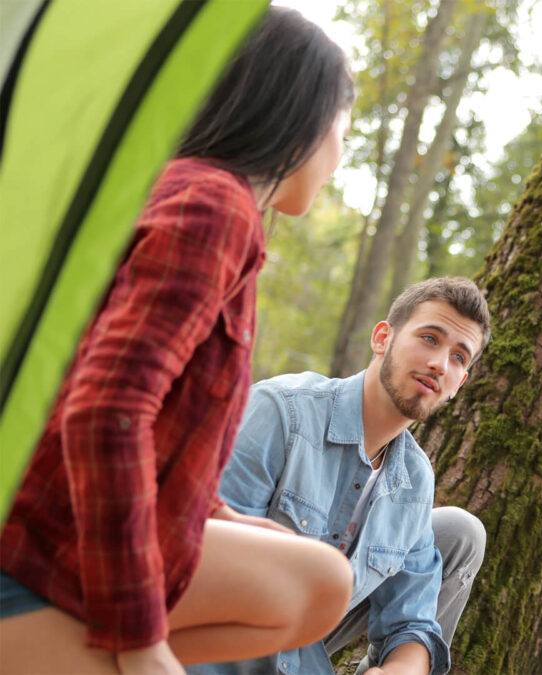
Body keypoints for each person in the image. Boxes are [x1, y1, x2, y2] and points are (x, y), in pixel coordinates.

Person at [0, 8, 356, 674]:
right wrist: (142, 643)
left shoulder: (187, 193)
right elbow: (104, 412)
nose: (342, 151)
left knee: (317, 574)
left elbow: (160, 423)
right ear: (297, 111)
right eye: (343, 124)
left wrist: (220, 514)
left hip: (70, 529)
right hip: (43, 549)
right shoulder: (214, 208)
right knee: (319, 583)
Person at [188, 277, 491, 675]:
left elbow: (412, 620)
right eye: (430, 339)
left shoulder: (414, 480)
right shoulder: (281, 413)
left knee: (461, 530)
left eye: (458, 358)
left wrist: (398, 671)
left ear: (459, 385)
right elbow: (203, 563)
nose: (439, 364)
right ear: (383, 338)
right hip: (216, 634)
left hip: (306, 638)